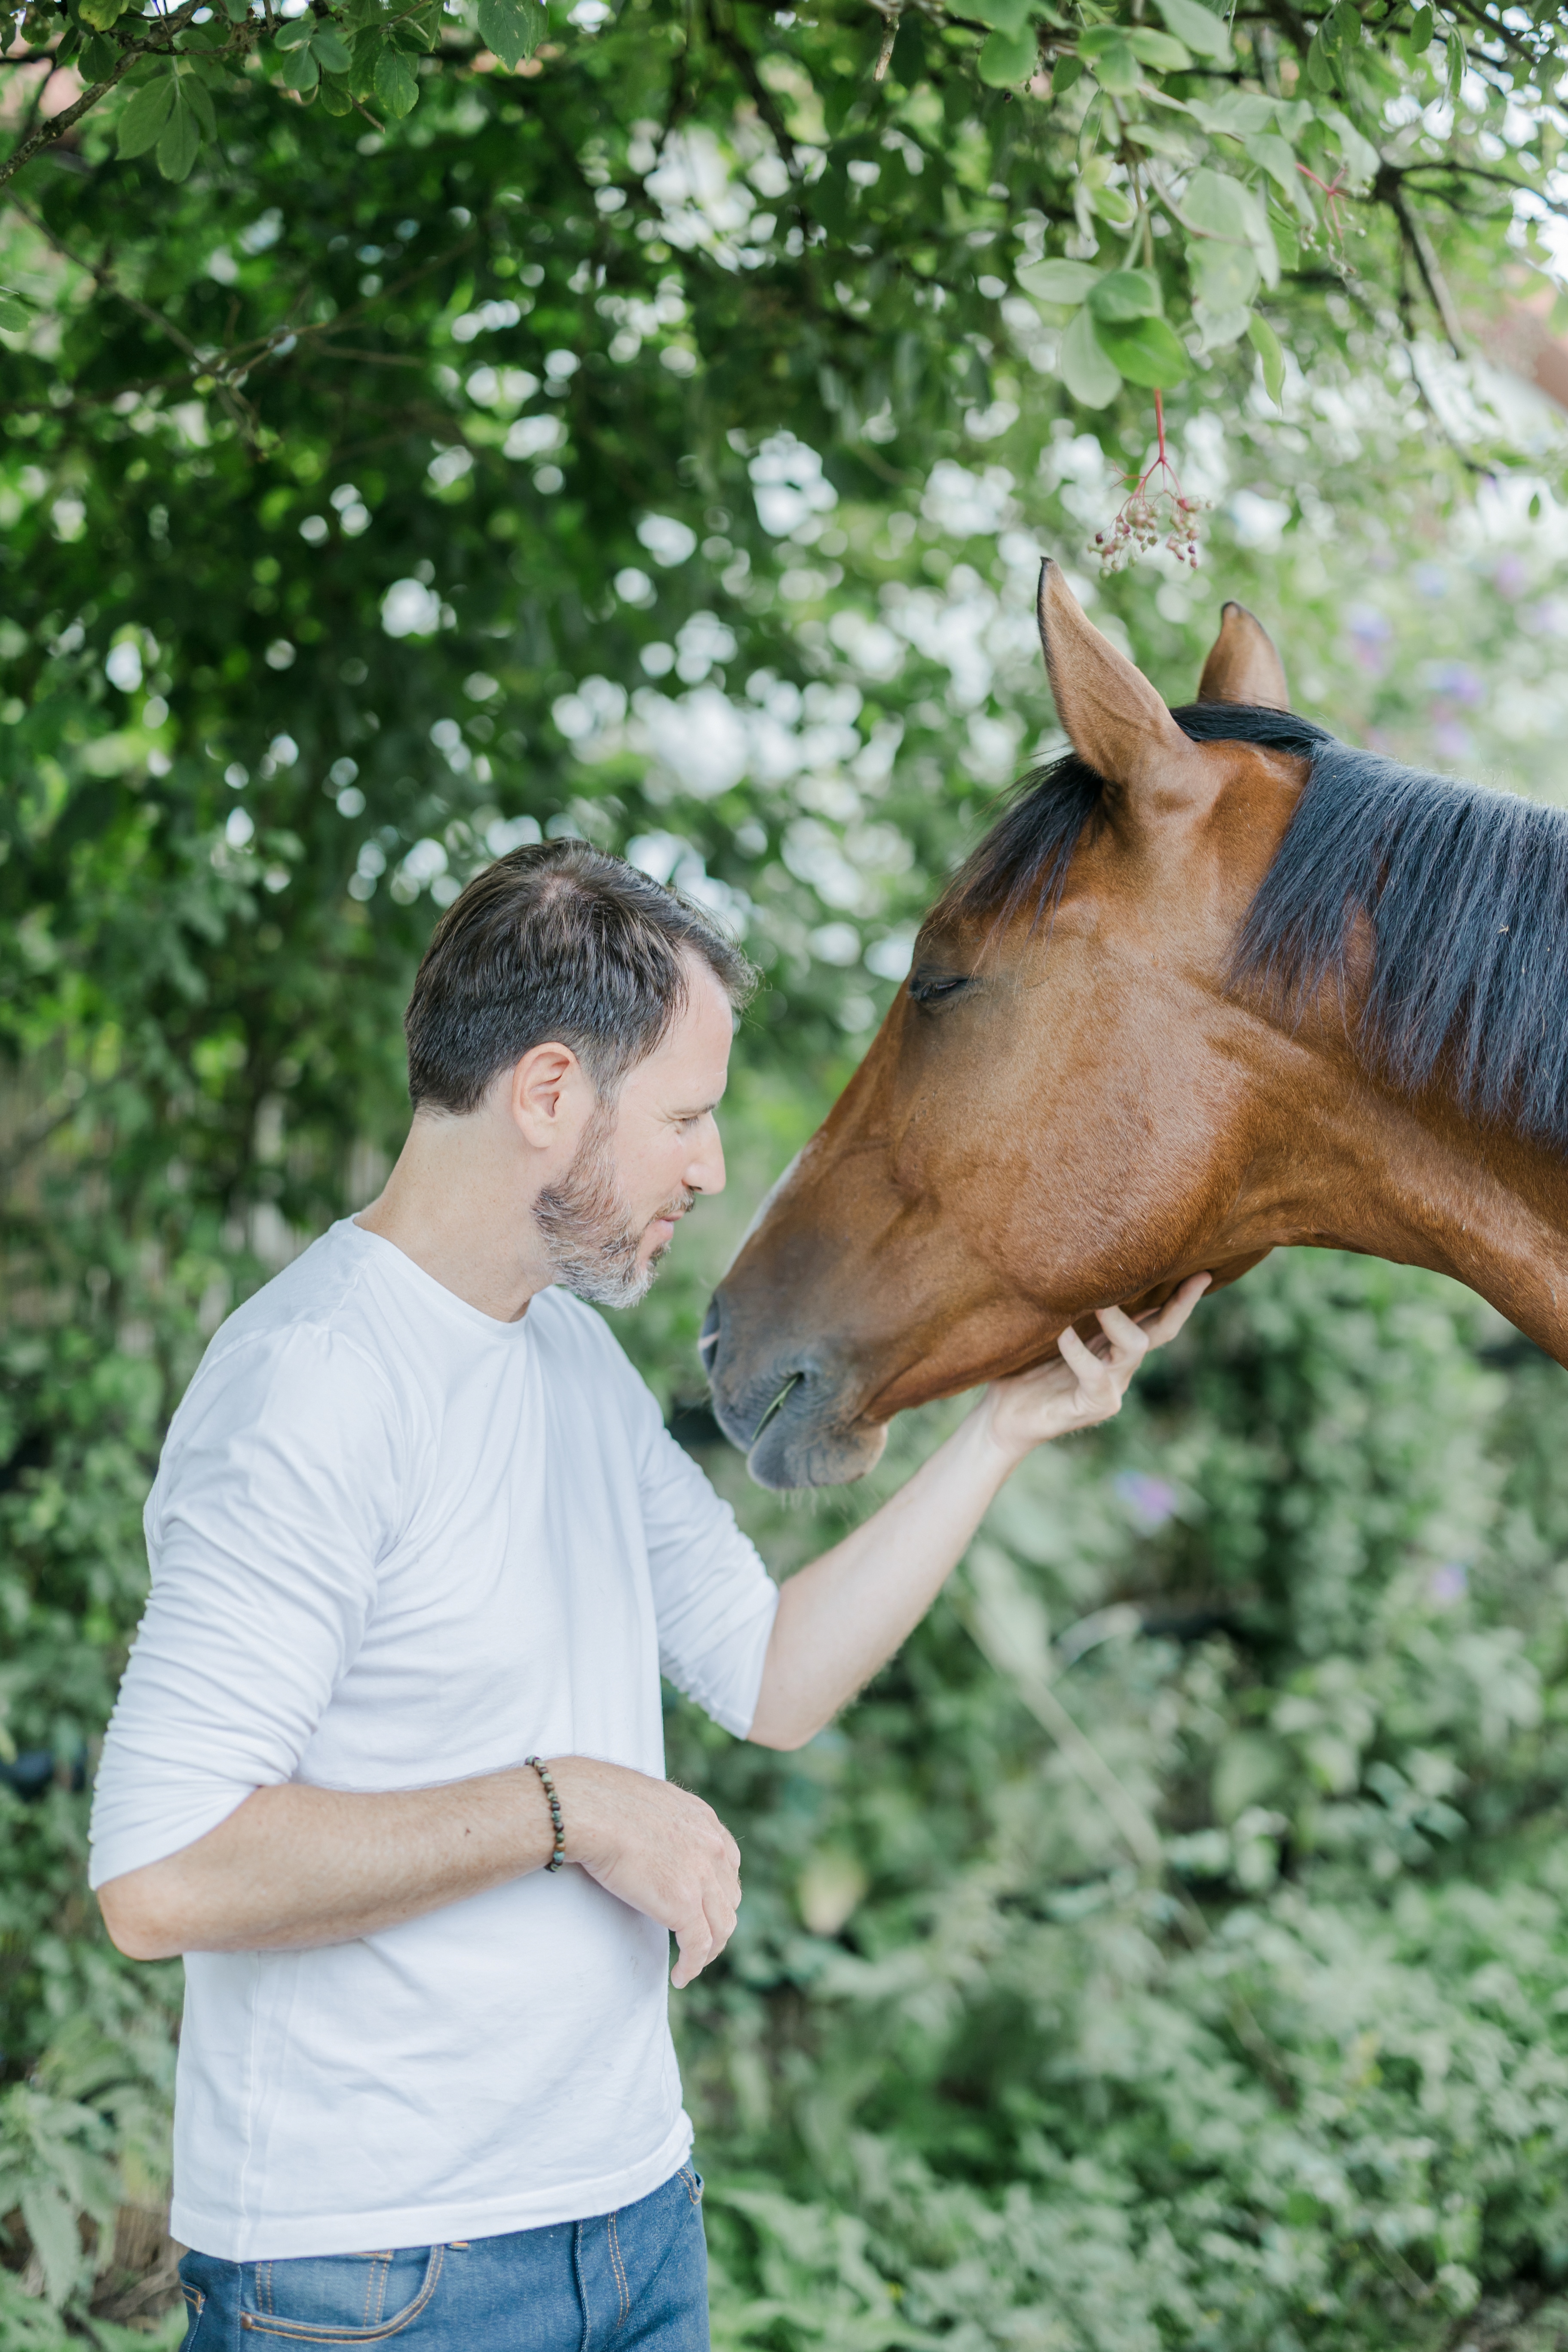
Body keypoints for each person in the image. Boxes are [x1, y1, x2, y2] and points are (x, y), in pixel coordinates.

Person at [91, 840, 1208, 2351]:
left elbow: (770, 1672)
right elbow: (164, 1875)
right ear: (549, 1094)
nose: (711, 1164)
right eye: (683, 1117)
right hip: (376, 2282)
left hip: (630, 2223)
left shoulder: (563, 1359)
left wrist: (999, 1431)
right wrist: (575, 1805)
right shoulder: (314, 1386)